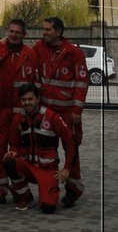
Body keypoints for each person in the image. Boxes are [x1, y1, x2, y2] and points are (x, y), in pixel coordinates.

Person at [33, 17, 89, 206]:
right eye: (44, 29)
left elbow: (82, 82)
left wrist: (77, 110)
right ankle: (51, 185)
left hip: (67, 112)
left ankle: (74, 188)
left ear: (58, 32)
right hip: (47, 111)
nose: (44, 33)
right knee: (48, 151)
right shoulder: (39, 48)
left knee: (71, 149)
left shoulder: (74, 53)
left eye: (48, 30)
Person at [3, 83, 76, 213]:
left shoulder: (52, 117)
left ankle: (49, 192)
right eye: (24, 100)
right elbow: (14, 143)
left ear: (37, 99)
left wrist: (67, 169)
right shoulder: (18, 119)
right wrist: (13, 151)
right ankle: (25, 196)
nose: (27, 103)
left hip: (47, 170)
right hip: (28, 166)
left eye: (30, 99)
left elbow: (70, 142)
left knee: (48, 208)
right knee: (9, 161)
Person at [0, 18, 38, 202]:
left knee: (20, 153)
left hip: (21, 113)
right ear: (6, 31)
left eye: (18, 32)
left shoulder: (30, 54)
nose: (14, 35)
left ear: (24, 34)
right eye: (11, 31)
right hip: (0, 110)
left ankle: (20, 190)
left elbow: (35, 83)